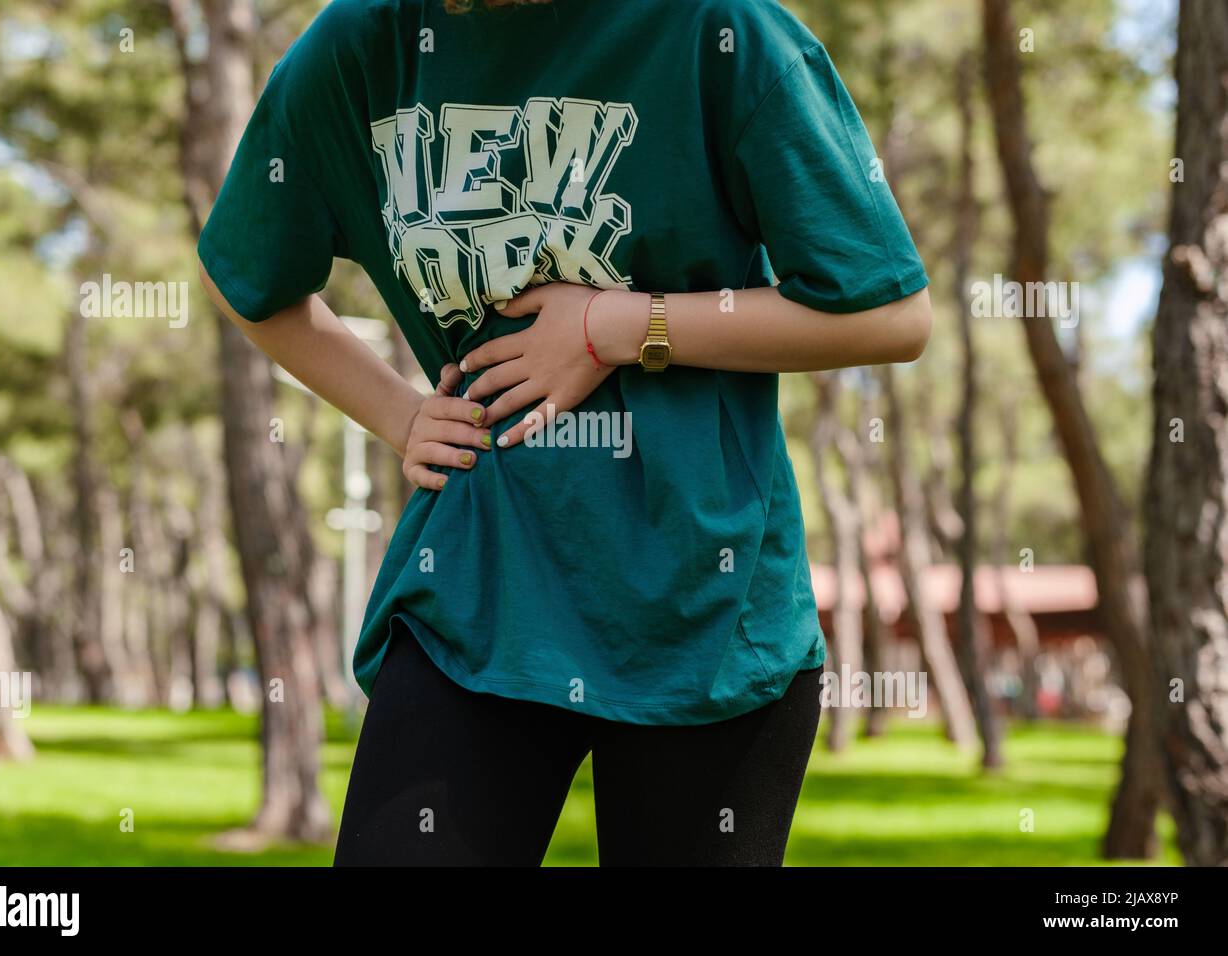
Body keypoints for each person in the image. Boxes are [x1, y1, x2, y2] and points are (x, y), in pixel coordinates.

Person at [197, 0, 931, 866]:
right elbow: (246, 274)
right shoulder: (361, 44)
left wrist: (622, 327)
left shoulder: (721, 30)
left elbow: (889, 314)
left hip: (708, 609)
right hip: (473, 595)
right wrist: (400, 415)